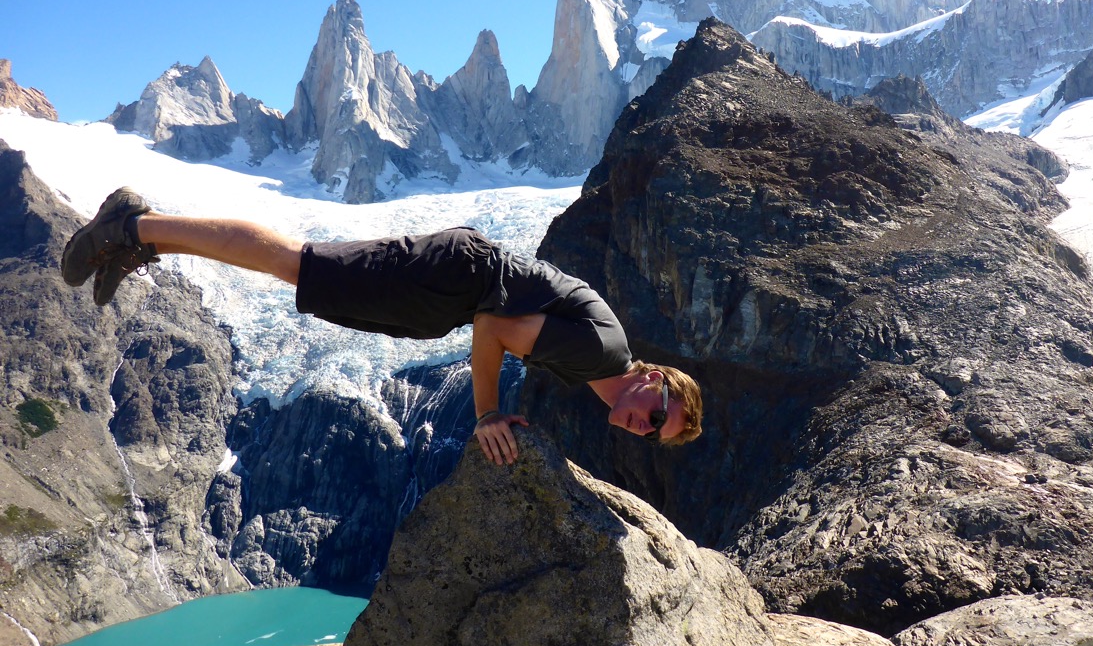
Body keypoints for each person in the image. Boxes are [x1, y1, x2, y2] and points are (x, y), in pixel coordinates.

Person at [61, 188, 703, 464]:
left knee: (301, 274)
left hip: (444, 292)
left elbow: (500, 325)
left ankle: (139, 240)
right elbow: (494, 329)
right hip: (452, 279)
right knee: (296, 263)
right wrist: (485, 414)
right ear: (655, 378)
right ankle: (132, 227)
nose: (643, 426)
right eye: (658, 414)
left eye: (653, 435)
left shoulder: (599, 369)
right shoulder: (602, 355)